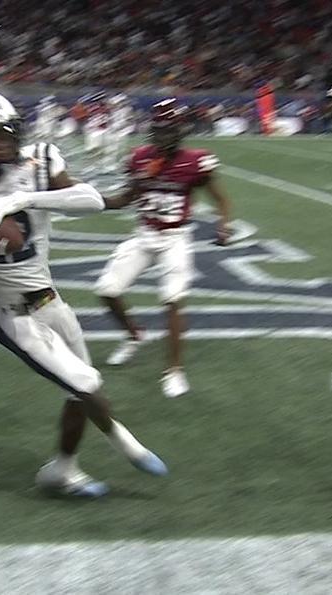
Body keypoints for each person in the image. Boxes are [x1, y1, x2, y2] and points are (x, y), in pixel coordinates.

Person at [0, 88, 168, 498]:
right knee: (85, 382)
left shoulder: (38, 161)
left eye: (7, 133)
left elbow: (90, 199)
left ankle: (62, 470)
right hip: (8, 312)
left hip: (49, 298)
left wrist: (22, 198)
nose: (3, 143)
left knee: (77, 394)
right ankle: (129, 446)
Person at [93, 99, 233, 398]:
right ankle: (134, 335)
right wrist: (87, 199)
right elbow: (125, 198)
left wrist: (223, 224)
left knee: (172, 298)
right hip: (144, 234)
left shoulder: (196, 161)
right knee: (107, 289)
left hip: (175, 238)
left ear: (179, 131)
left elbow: (220, 199)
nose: (161, 136)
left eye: (167, 130)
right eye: (157, 130)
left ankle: (174, 370)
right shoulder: (140, 157)